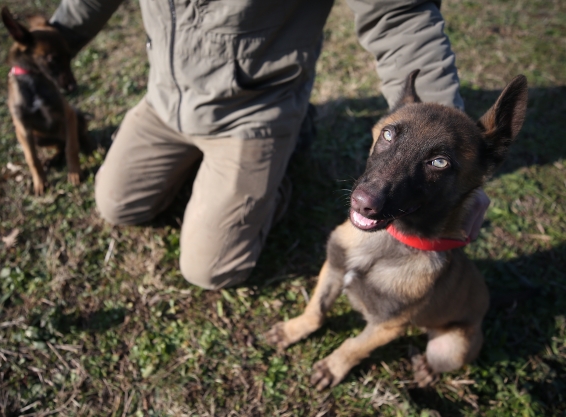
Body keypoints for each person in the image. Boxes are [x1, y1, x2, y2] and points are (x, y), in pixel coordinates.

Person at [50, 0, 490, 290]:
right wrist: (51, 44)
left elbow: (401, 16)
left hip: (254, 111)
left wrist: (447, 153)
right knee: (118, 206)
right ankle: (211, 174)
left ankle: (281, 164)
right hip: (165, 98)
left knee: (211, 269)